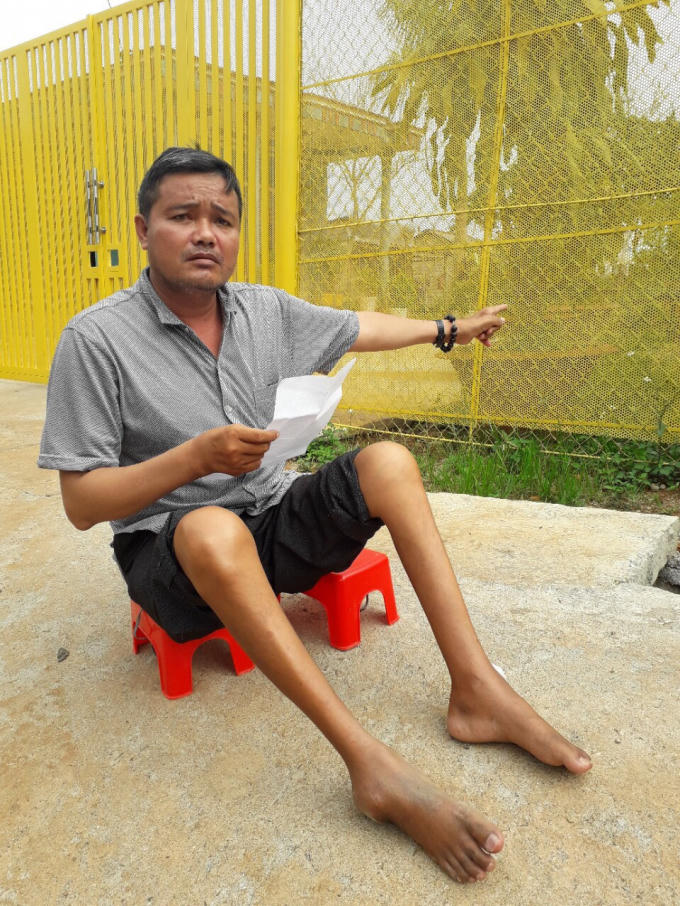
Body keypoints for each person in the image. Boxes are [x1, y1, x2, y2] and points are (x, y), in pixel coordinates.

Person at [38, 146, 591, 885]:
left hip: (267, 519)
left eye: (222, 219)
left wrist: (448, 329)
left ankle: (477, 689)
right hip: (176, 559)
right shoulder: (95, 340)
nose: (205, 233)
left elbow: (357, 326)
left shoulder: (262, 310)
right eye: (182, 216)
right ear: (143, 229)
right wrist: (194, 459)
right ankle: (371, 767)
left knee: (387, 461)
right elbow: (81, 503)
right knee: (211, 527)